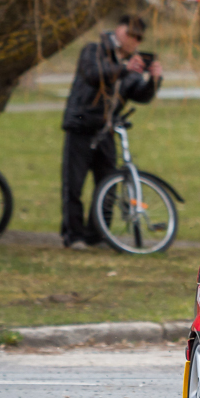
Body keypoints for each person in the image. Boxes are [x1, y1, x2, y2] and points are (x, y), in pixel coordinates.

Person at [60, 15, 163, 249]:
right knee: (73, 185)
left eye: (139, 38)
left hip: (106, 130)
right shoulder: (94, 51)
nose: (133, 40)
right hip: (81, 126)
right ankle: (74, 235)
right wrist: (124, 69)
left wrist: (154, 80)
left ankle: (97, 235)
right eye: (130, 34)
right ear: (118, 30)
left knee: (108, 184)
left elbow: (141, 94)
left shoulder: (131, 65)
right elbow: (94, 75)